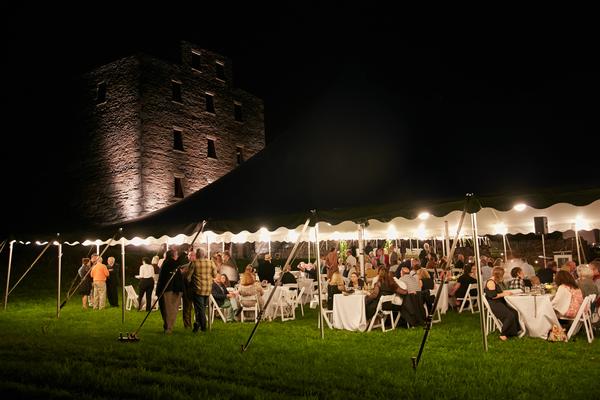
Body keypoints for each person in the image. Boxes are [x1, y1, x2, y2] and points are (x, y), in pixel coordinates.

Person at [484, 266, 520, 341]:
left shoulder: (496, 281)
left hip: (499, 302)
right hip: (494, 303)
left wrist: (506, 292)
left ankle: (513, 332)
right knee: (509, 315)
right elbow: (493, 296)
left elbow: (498, 292)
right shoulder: (491, 282)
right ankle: (503, 333)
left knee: (515, 312)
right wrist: (504, 294)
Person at [186, 248, 217, 333]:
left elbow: (188, 277)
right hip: (208, 289)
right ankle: (197, 325)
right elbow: (215, 275)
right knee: (199, 308)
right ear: (204, 254)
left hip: (198, 289)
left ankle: (203, 327)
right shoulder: (211, 262)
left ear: (197, 255)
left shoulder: (194, 263)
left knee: (200, 309)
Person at [157, 249, 184, 334]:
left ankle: (168, 326)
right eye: (176, 254)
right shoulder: (169, 262)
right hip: (168, 290)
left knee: (170, 309)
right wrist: (184, 253)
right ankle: (168, 328)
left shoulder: (168, 263)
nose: (177, 256)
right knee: (169, 309)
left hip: (171, 289)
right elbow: (178, 262)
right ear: (173, 255)